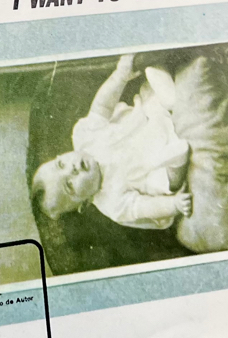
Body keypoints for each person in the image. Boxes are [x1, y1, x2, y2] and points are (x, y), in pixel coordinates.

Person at [31, 54, 193, 230]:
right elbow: (143, 206)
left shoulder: (83, 135)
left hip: (150, 120)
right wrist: (174, 205)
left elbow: (103, 106)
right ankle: (177, 157)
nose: (72, 169)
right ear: (84, 203)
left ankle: (169, 100)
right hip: (158, 162)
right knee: (162, 181)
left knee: (153, 100)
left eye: (61, 164)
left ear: (61, 156)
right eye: (69, 184)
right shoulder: (111, 204)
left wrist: (120, 75)